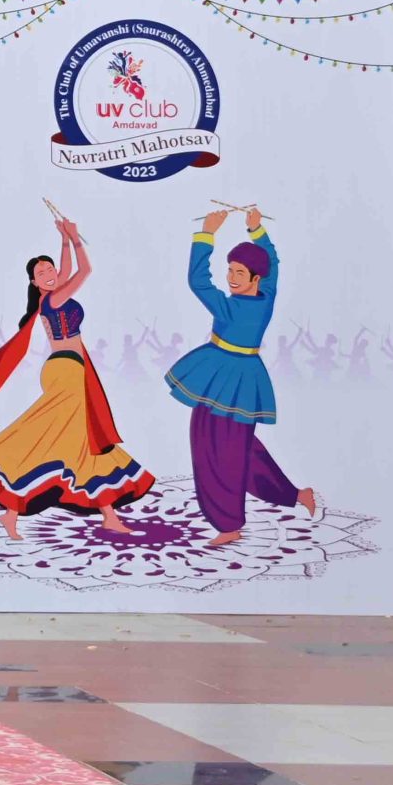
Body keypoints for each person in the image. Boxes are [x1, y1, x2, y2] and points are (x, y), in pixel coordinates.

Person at [0, 213, 154, 538]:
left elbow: (66, 271)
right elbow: (84, 271)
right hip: (66, 371)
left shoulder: (51, 293)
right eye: (42, 273)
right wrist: (76, 238)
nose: (50, 275)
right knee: (46, 434)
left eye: (50, 270)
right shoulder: (52, 298)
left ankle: (92, 514)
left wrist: (64, 238)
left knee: (84, 441)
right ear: (35, 283)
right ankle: (0, 473)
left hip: (68, 368)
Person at [166, 207, 318, 547]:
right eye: (230, 270)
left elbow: (197, 282)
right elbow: (273, 262)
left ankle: (230, 524)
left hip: (232, 378)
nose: (232, 278)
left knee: (219, 452)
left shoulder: (229, 307)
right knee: (240, 448)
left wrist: (207, 233)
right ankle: (295, 495)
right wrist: (256, 229)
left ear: (255, 278)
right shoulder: (267, 294)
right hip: (228, 375)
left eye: (239, 272)